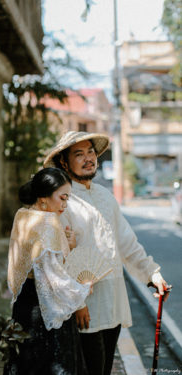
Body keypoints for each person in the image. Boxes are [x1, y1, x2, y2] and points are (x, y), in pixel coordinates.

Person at [43, 131, 169, 375]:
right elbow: (59, 258)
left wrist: (152, 274)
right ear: (63, 162)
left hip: (113, 300)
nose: (88, 158)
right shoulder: (62, 200)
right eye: (79, 154)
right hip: (83, 307)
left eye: (90, 152)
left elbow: (127, 243)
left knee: (104, 368)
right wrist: (78, 302)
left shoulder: (106, 196)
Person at [4, 167, 91, 375]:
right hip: (44, 310)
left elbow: (33, 261)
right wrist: (82, 291)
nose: (64, 205)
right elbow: (54, 278)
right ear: (43, 198)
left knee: (24, 365)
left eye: (67, 199)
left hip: (23, 306)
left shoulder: (23, 215)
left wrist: (65, 246)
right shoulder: (49, 223)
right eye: (62, 198)